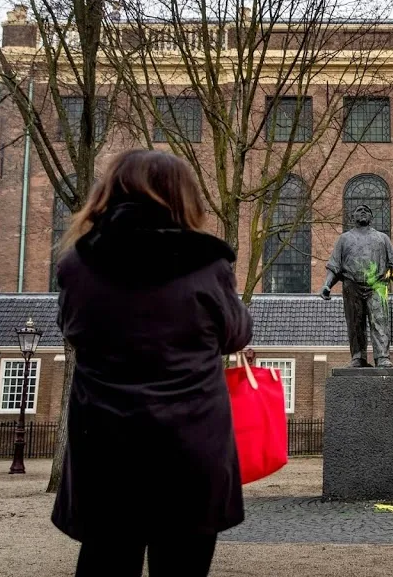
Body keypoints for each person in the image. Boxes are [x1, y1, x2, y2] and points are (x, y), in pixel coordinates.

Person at [51, 149, 252, 577]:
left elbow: (70, 328)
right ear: (183, 197)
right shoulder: (207, 263)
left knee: (105, 560)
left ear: (110, 191)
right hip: (190, 447)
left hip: (105, 446)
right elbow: (236, 334)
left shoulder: (76, 264)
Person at [320, 204, 393, 368]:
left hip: (377, 285)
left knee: (380, 320)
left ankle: (382, 357)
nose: (363, 212)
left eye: (367, 211)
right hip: (351, 286)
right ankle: (358, 357)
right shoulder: (344, 239)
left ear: (371, 218)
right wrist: (327, 285)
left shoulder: (382, 238)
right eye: (358, 210)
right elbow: (334, 266)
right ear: (352, 217)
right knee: (355, 323)